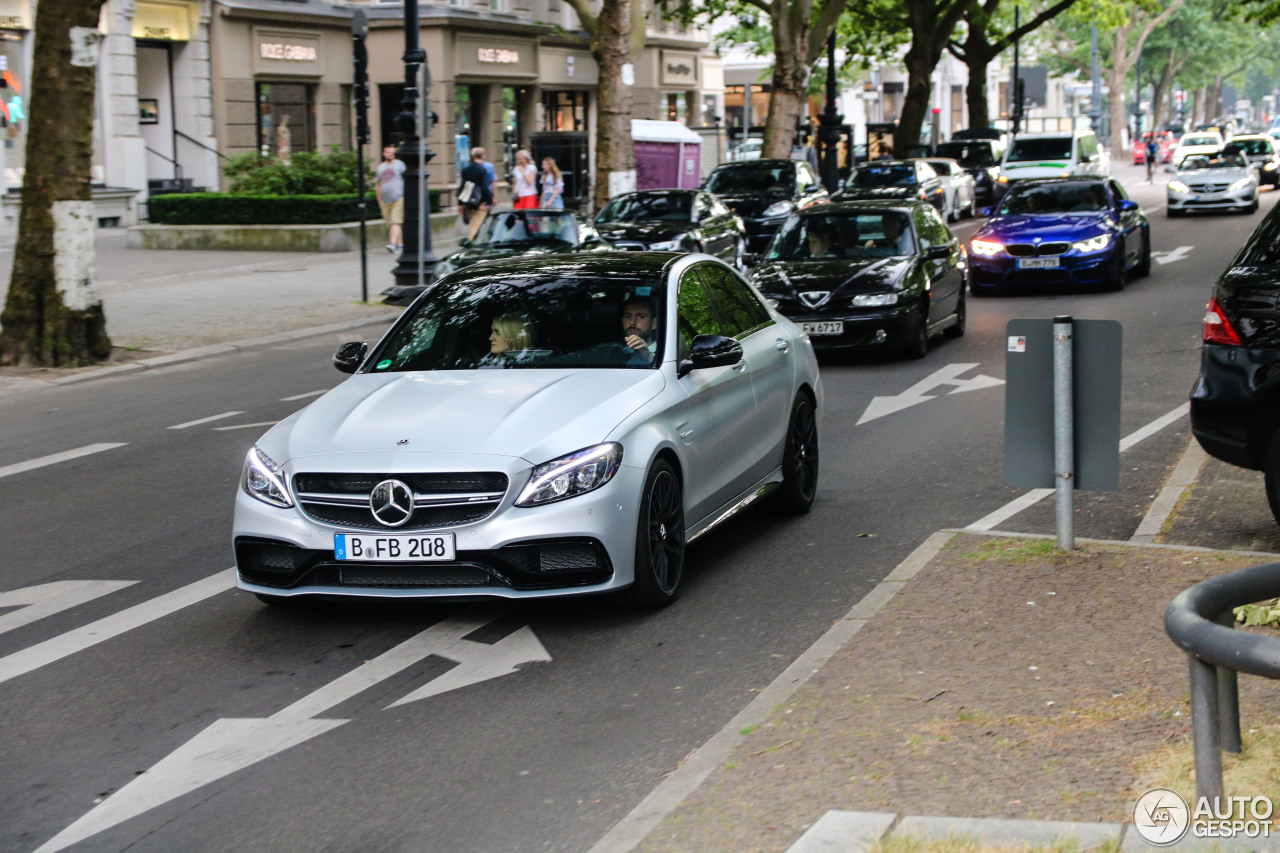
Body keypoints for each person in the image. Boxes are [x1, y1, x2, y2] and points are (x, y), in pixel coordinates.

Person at [459, 147, 495, 242]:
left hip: (468, 202)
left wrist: (460, 204)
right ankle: (471, 244)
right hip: (480, 202)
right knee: (477, 225)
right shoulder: (482, 170)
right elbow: (485, 188)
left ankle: (477, 242)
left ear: (472, 156)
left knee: (474, 223)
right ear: (483, 156)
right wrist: (488, 202)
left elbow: (462, 187)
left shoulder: (465, 170)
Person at [376, 144, 406, 254]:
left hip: (398, 197)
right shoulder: (380, 167)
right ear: (384, 153)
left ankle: (392, 243)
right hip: (385, 200)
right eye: (388, 152)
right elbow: (378, 184)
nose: (390, 154)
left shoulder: (400, 165)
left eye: (392, 152)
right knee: (392, 224)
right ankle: (400, 245)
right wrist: (379, 199)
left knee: (395, 221)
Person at [621, 296, 658, 362]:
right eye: (628, 316)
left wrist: (648, 357)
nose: (632, 322)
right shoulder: (612, 350)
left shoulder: (665, 351)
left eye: (641, 317)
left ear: (653, 323)